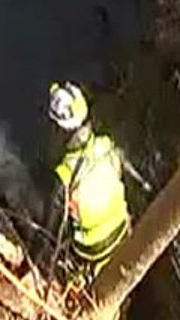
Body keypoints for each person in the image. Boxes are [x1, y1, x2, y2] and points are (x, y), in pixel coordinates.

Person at [44, 81, 150, 286]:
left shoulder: (64, 175)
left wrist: (34, 259)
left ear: (60, 130)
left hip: (91, 251)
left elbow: (49, 231)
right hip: (122, 234)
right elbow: (134, 174)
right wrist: (146, 186)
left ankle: (81, 277)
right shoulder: (108, 146)